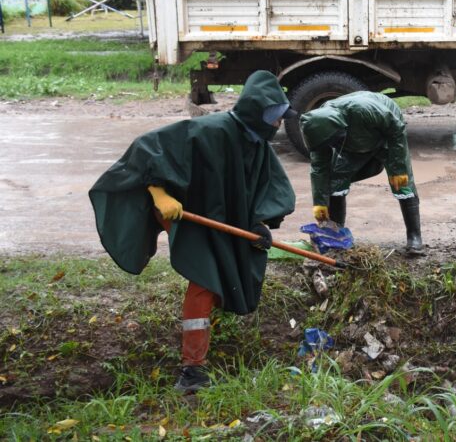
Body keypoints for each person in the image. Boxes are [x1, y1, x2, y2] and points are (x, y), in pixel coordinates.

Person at [89, 71, 297, 393]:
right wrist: (159, 193)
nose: (278, 125)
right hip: (181, 208)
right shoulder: (210, 130)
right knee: (204, 279)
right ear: (259, 112)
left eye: (280, 118)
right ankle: (192, 371)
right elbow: (148, 148)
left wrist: (259, 225)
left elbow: (268, 190)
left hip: (216, 214)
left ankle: (209, 326)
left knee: (226, 264)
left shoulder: (258, 146)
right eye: (275, 117)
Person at [299, 91, 423, 256]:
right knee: (335, 180)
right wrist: (320, 202)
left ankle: (414, 237)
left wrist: (399, 169)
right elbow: (319, 168)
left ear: (339, 128)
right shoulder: (318, 131)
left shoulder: (363, 109)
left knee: (401, 183)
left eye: (335, 141)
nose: (333, 146)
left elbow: (396, 128)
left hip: (387, 135)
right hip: (353, 143)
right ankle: (336, 234)